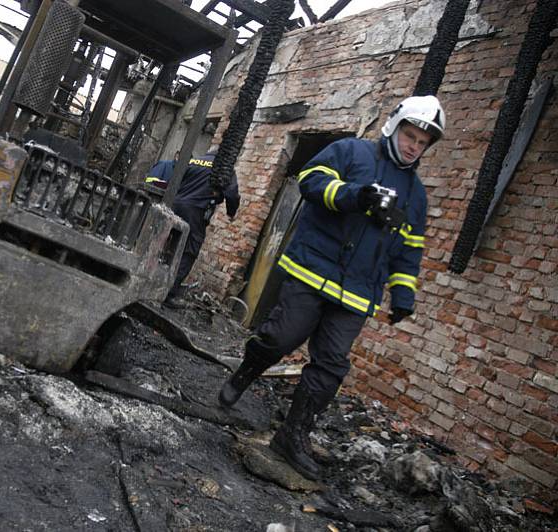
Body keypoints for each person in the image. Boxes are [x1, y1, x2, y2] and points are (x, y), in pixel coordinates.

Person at [217, 95, 446, 480]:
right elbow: (310, 181)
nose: (413, 146)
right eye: (410, 136)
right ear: (394, 127)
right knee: (279, 338)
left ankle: (292, 436)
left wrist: (404, 294)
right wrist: (355, 196)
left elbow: (409, 249)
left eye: (422, 143)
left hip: (357, 293)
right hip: (311, 269)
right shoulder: (351, 152)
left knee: (331, 366)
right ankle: (246, 372)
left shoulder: (416, 195)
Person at [145, 149, 240, 308]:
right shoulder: (224, 168)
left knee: (163, 242)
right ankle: (168, 293)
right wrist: (231, 212)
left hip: (174, 204)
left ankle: (147, 278)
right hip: (195, 212)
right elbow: (232, 194)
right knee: (189, 251)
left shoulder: (194, 161)